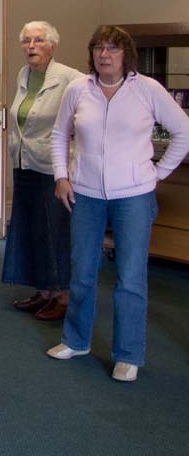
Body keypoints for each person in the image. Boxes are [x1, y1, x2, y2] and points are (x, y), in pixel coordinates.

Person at [48, 25, 189, 382]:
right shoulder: (79, 89)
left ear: (126, 54)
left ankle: (128, 354)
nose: (104, 54)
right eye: (98, 47)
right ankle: (76, 340)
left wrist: (158, 173)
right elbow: (60, 134)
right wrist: (61, 176)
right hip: (85, 195)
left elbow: (183, 131)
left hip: (134, 197)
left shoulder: (148, 89)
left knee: (130, 277)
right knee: (82, 270)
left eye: (112, 48)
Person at [1, 21, 83, 321]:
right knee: (32, 229)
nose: (31, 46)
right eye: (26, 41)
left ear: (52, 45)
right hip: (24, 163)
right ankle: (45, 291)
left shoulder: (71, 79)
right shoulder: (24, 74)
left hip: (53, 168)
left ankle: (64, 296)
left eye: (38, 40)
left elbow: (86, 117)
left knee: (55, 232)